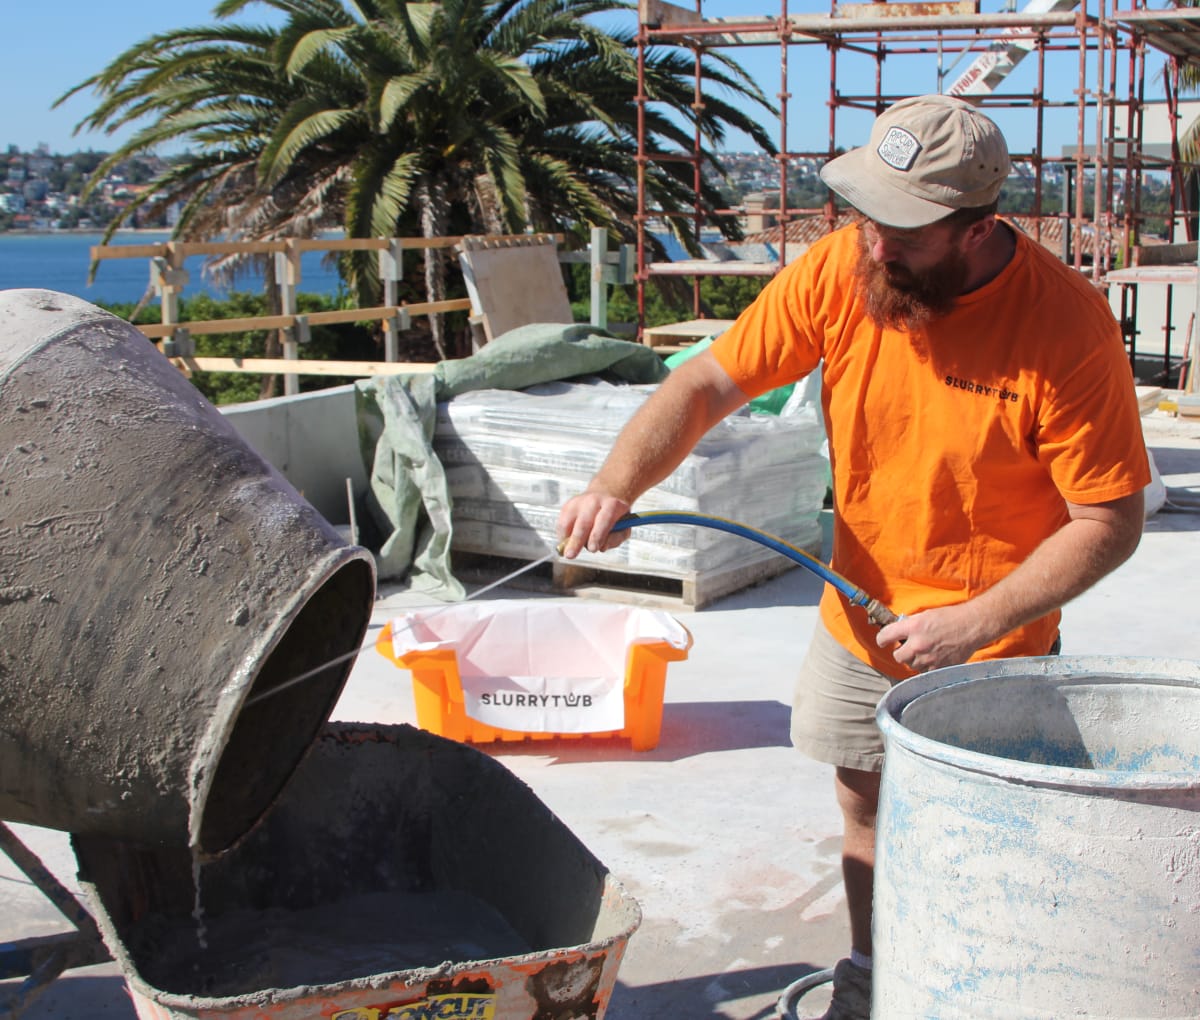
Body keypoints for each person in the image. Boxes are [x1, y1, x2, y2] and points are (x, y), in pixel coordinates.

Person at [556, 94, 1150, 1020]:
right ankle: (873, 979)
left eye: (905, 232)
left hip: (991, 646)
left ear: (980, 226)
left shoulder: (1065, 329)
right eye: (870, 218)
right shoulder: (846, 266)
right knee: (864, 812)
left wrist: (978, 620)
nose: (877, 246)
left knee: (978, 836)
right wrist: (616, 482)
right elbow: (711, 379)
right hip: (858, 618)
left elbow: (1108, 519)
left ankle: (970, 988)